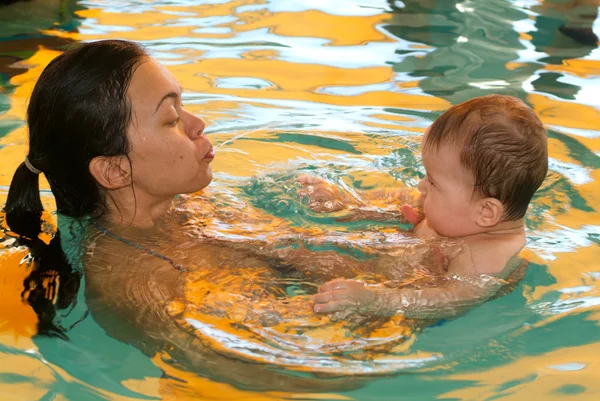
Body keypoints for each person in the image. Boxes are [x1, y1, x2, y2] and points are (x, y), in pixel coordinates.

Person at [3, 39, 383, 392]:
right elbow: (277, 371)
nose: (197, 122)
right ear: (116, 171)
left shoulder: (193, 207)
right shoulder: (133, 280)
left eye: (183, 104)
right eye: (171, 119)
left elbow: (309, 255)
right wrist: (402, 312)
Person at [301, 95, 548, 319]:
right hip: (382, 264)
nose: (421, 186)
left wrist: (376, 301)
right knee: (284, 249)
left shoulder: (487, 259)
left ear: (486, 212)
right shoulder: (460, 211)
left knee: (291, 264)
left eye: (432, 181)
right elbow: (402, 199)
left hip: (391, 302)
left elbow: (450, 301)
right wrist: (346, 202)